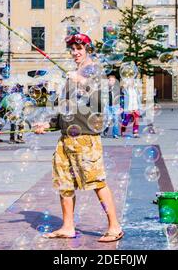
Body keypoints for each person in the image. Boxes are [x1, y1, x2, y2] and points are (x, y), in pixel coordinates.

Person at [34, 33, 123, 243]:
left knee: (97, 181)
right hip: (66, 139)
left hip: (86, 138)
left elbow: (101, 102)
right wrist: (48, 124)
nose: (75, 53)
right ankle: (67, 226)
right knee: (64, 183)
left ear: (88, 49)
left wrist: (82, 81)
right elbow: (65, 108)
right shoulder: (71, 75)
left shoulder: (96, 72)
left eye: (79, 49)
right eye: (72, 49)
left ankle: (114, 226)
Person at [102, 75, 121, 139]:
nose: (111, 81)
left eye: (113, 80)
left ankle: (115, 134)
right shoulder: (105, 88)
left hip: (115, 106)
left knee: (115, 120)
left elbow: (119, 98)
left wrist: (121, 107)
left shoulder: (117, 88)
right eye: (110, 80)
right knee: (108, 120)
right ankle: (106, 129)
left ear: (115, 81)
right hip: (108, 106)